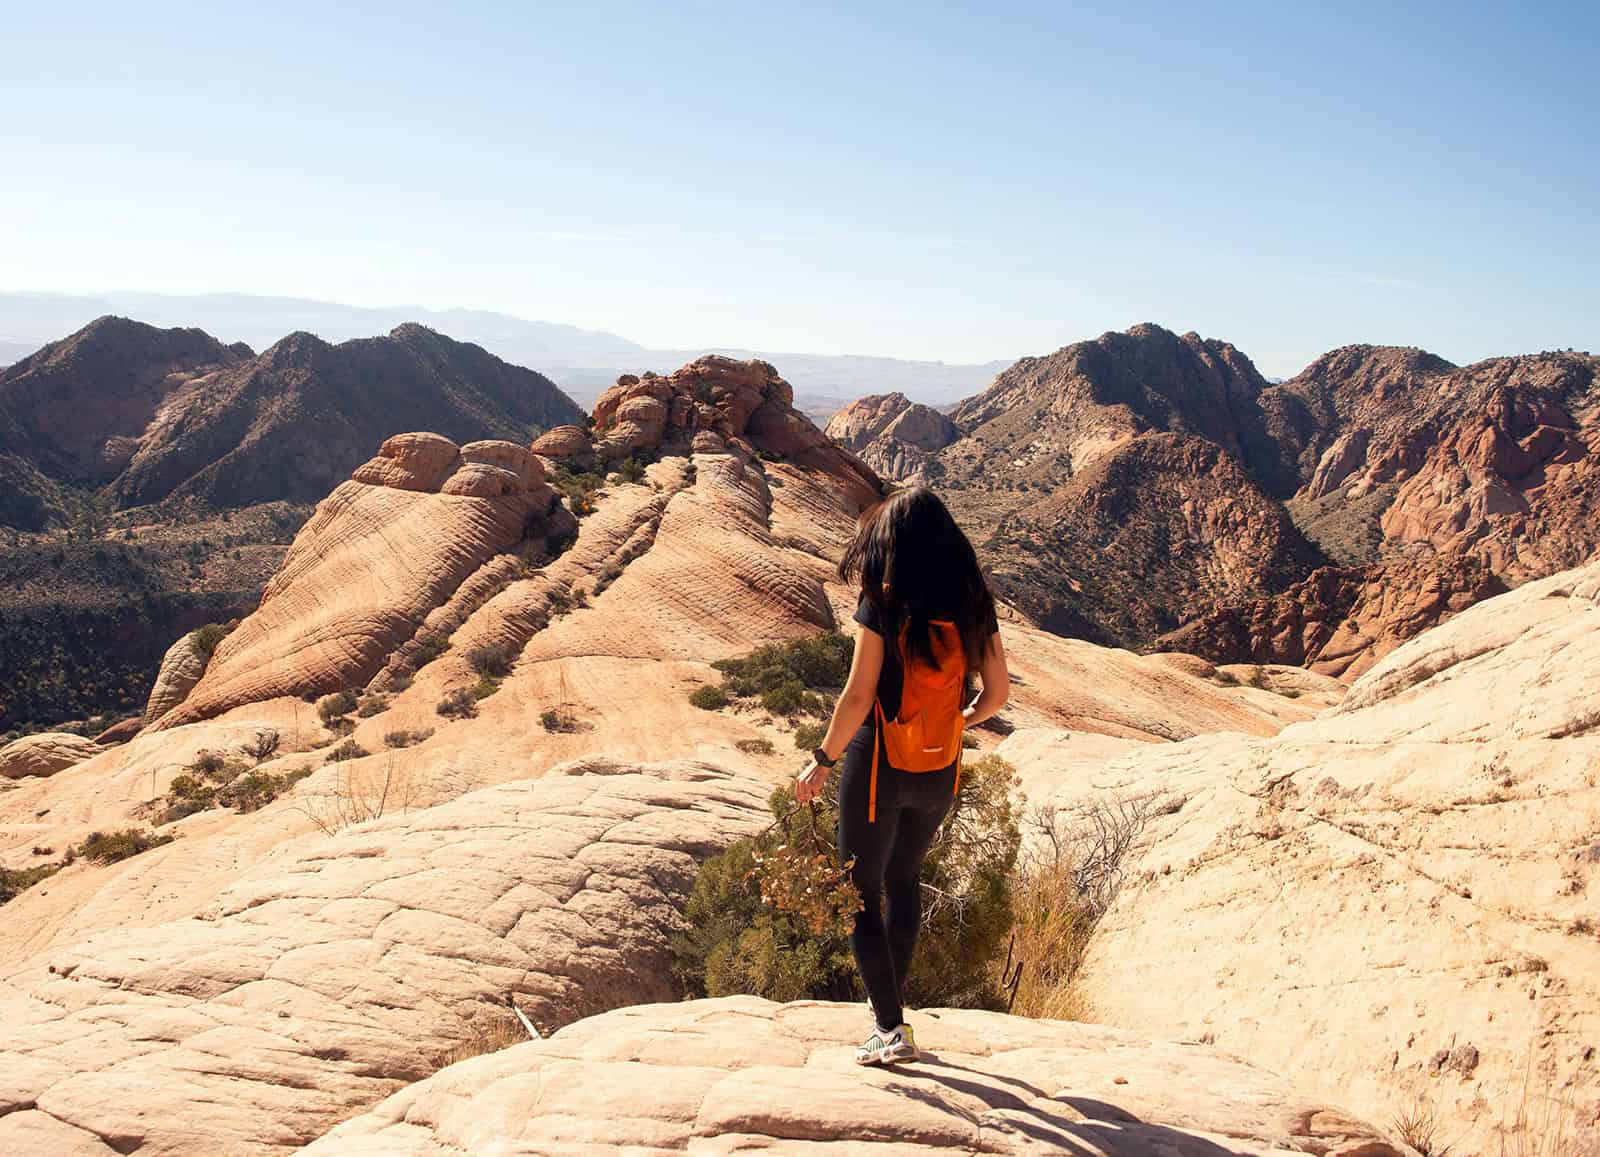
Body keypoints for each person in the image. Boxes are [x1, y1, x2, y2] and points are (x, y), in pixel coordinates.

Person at [795, 486, 1008, 1066]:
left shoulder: (883, 601)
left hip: (878, 767)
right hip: (939, 766)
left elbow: (860, 694)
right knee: (904, 881)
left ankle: (889, 1028)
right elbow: (999, 693)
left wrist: (822, 757)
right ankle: (891, 1017)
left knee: (859, 892)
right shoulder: (974, 601)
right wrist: (958, 721)